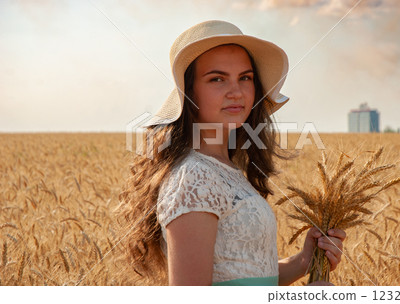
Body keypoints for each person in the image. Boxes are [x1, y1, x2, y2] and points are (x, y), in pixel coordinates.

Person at [118, 20, 346, 286]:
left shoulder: (226, 169)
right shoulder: (194, 177)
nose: (236, 92)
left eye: (245, 78)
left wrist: (303, 261)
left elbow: (247, 277)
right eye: (217, 79)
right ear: (188, 93)